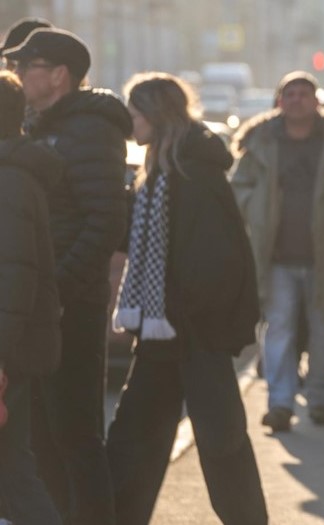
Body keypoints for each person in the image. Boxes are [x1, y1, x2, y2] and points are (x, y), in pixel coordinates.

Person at [105, 72, 267, 525]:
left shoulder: (193, 173)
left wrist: (187, 313)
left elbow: (216, 259)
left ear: (157, 117)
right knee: (134, 438)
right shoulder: (158, 171)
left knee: (222, 444)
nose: (131, 123)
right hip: (162, 334)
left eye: (136, 114)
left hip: (197, 334)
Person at [3, 28, 130, 525]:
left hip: (70, 305)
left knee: (75, 433)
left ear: (58, 75)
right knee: (38, 439)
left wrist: (57, 291)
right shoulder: (39, 125)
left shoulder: (91, 129)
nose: (14, 73)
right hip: (40, 302)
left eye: (24, 65)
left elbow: (105, 222)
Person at [230, 71, 324, 430]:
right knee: (278, 330)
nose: (296, 99)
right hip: (275, 257)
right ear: (279, 101)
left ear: (317, 101)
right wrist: (257, 205)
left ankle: (319, 400)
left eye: (304, 93)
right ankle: (280, 404)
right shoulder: (261, 141)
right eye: (289, 93)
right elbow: (236, 189)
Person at [0, 69, 63, 525]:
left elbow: (14, 278)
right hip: (12, 351)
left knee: (14, 472)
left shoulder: (10, 182)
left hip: (7, 354)